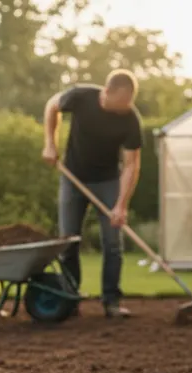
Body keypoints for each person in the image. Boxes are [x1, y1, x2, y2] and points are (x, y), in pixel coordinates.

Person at [41, 70, 143, 318]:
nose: (124, 109)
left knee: (112, 244)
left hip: (108, 181)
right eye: (120, 103)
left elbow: (131, 165)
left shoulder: (130, 118)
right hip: (73, 177)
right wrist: (50, 143)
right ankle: (70, 299)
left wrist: (121, 205)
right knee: (68, 242)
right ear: (106, 92)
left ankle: (111, 301)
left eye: (127, 103)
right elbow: (51, 106)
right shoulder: (80, 97)